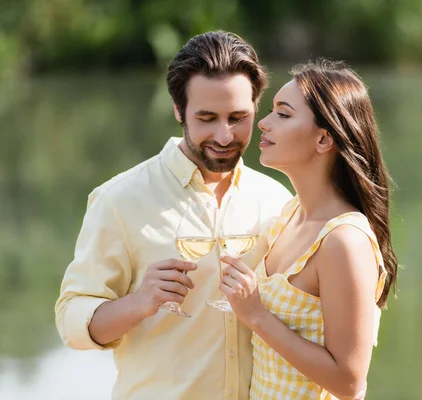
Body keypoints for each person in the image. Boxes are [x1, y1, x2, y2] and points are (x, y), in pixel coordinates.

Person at [54, 31, 291, 400]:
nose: (225, 135)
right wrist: (137, 303)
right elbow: (71, 321)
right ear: (178, 110)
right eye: (207, 118)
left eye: (238, 117)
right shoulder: (120, 199)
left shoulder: (277, 199)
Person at [218, 60, 398, 399]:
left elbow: (349, 382)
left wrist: (256, 315)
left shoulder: (343, 241)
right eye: (270, 112)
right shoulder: (289, 214)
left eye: (283, 115)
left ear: (324, 139)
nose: (264, 124)